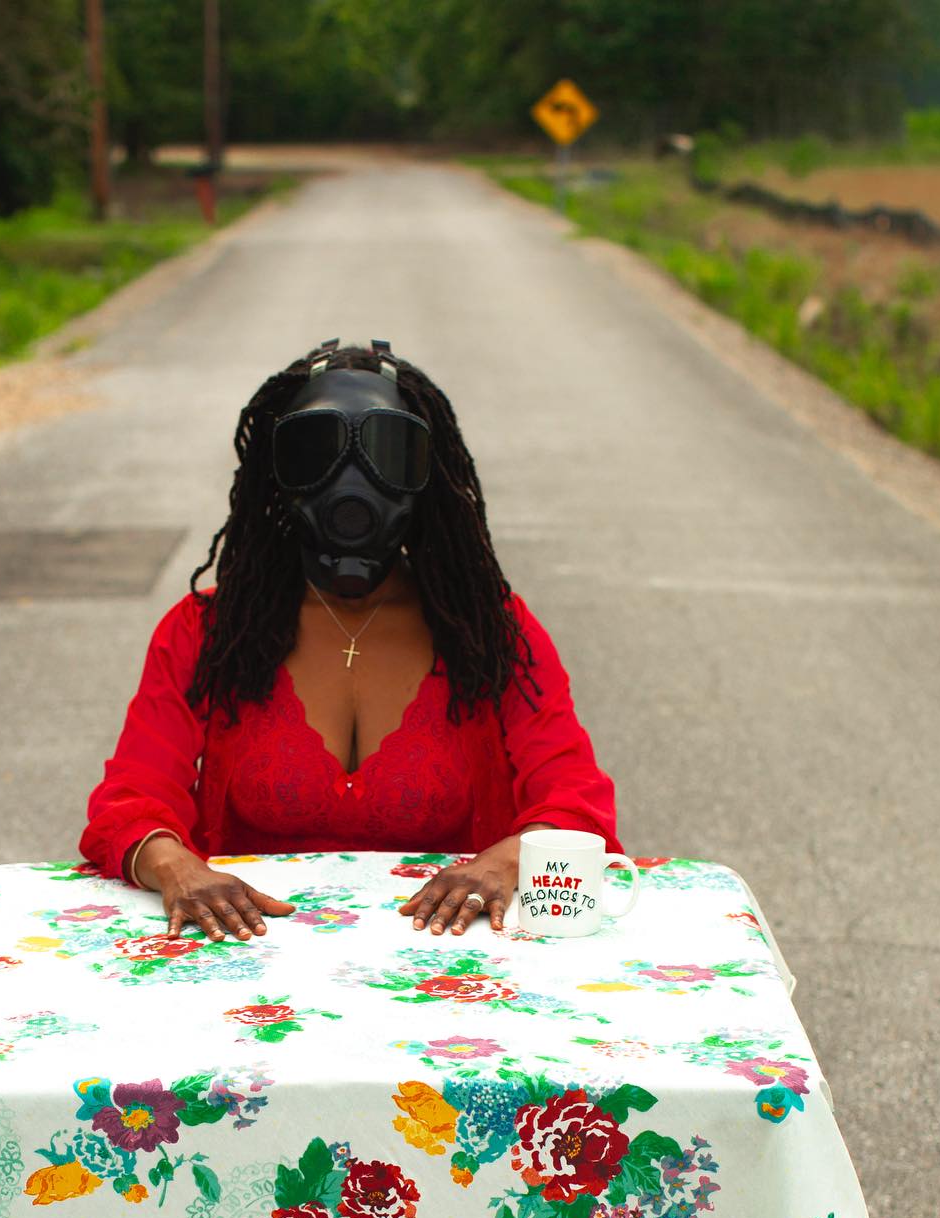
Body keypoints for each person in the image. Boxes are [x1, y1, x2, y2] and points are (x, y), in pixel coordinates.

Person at [80, 338, 622, 941]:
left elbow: (574, 795)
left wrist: (511, 857)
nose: (352, 487)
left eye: (390, 453)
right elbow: (133, 794)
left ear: (429, 479)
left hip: (449, 963)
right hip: (250, 964)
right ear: (275, 479)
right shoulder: (209, 632)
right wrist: (174, 865)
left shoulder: (486, 631)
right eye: (316, 453)